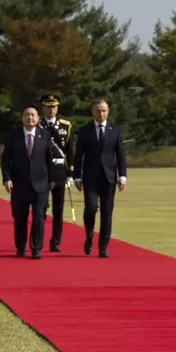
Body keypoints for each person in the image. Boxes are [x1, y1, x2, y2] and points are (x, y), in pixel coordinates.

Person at [73, 99, 127, 258]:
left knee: (107, 213)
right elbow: (78, 156)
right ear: (93, 112)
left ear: (108, 112)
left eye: (104, 110)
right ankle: (89, 235)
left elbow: (121, 155)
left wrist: (123, 176)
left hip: (109, 178)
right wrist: (77, 175)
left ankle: (103, 246)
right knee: (90, 208)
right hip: (90, 177)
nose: (101, 113)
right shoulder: (85, 131)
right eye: (98, 110)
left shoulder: (115, 131)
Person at [1, 106, 54, 259]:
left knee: (39, 217)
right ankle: (20, 246)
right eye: (26, 115)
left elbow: (49, 160)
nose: (30, 118)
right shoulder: (13, 136)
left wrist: (51, 180)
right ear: (22, 118)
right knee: (20, 218)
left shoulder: (45, 135)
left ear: (37, 118)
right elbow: (5, 160)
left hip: (40, 184)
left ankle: (36, 248)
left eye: (32, 115)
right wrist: (7, 178)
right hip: (19, 184)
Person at [38, 93, 74, 252]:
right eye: (48, 106)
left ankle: (56, 241)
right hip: (42, 171)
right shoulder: (37, 125)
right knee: (41, 207)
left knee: (58, 209)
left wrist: (71, 174)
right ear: (43, 108)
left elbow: (70, 151)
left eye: (54, 106)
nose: (51, 109)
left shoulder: (66, 126)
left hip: (60, 171)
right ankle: (38, 239)